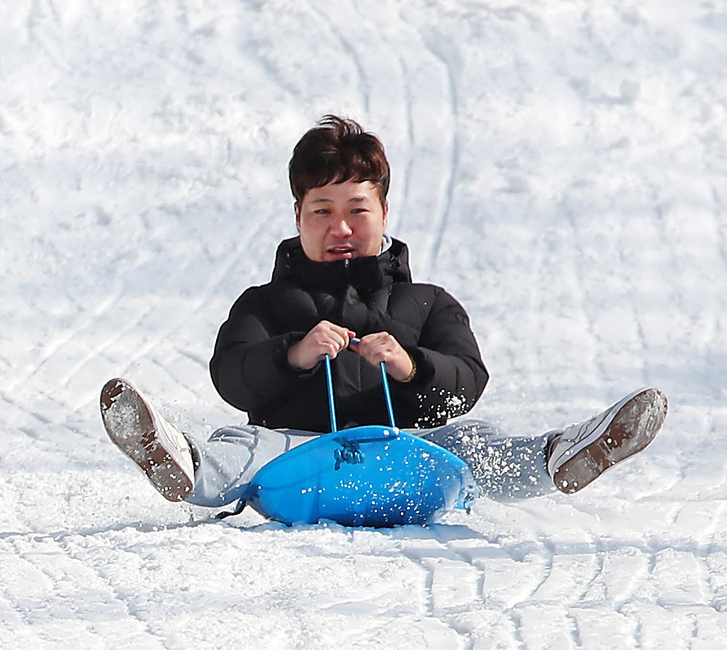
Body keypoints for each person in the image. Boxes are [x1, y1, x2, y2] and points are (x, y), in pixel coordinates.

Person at [101, 115, 667, 514]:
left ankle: (565, 455)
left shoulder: (428, 303)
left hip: (410, 456)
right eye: (322, 210)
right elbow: (230, 374)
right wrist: (293, 353)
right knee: (240, 447)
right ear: (298, 215)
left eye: (356, 210)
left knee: (476, 442)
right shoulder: (263, 304)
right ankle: (180, 462)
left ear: (384, 211)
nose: (340, 228)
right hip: (296, 457)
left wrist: (411, 368)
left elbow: (467, 381)